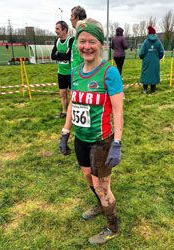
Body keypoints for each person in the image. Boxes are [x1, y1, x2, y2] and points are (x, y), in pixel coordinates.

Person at [59, 18, 124, 245]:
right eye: (82, 41)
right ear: (77, 43)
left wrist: (117, 142)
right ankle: (99, 204)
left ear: (101, 45)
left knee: (102, 185)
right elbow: (74, 106)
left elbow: (118, 111)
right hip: (81, 139)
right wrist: (65, 132)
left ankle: (112, 227)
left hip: (101, 140)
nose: (87, 46)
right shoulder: (76, 73)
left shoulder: (109, 72)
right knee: (88, 176)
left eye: (92, 41)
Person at [51, 20, 74, 118]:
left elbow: (68, 56)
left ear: (64, 30)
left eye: (57, 29)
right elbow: (52, 56)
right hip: (61, 73)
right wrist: (63, 55)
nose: (55, 31)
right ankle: (64, 112)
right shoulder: (56, 41)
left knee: (73, 95)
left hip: (71, 73)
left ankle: (73, 112)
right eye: (55, 28)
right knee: (63, 93)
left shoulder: (71, 40)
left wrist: (59, 55)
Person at [139, 25, 164, 94]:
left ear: (149, 33)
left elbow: (141, 53)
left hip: (146, 62)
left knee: (146, 74)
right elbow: (162, 52)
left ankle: (145, 89)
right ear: (154, 33)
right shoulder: (158, 42)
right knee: (154, 74)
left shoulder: (146, 42)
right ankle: (153, 90)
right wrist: (158, 58)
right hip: (155, 62)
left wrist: (142, 57)